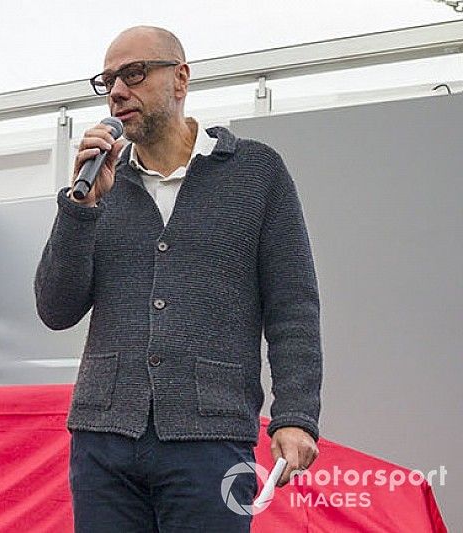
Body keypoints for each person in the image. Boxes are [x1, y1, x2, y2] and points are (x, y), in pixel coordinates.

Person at [34, 25, 322, 532]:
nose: (119, 91)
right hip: (103, 440)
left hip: (209, 439)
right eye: (108, 81)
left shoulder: (255, 172)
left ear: (181, 79)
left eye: (135, 74)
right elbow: (56, 310)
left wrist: (295, 412)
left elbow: (292, 304)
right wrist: (82, 207)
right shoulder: (103, 185)